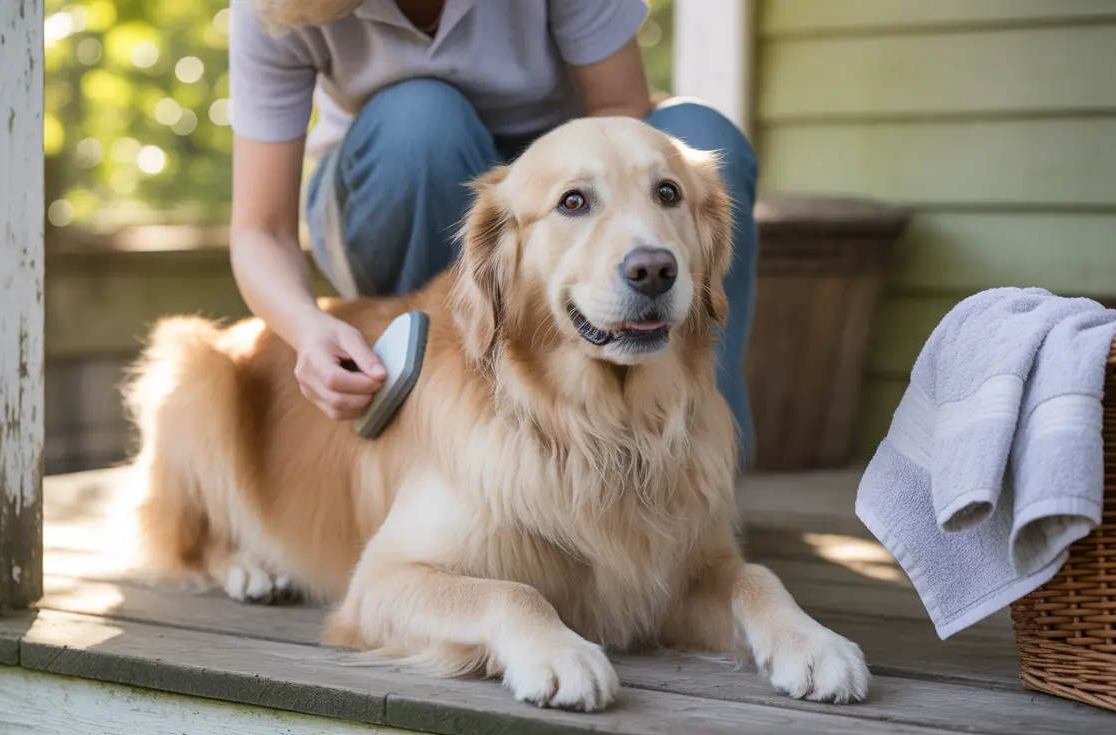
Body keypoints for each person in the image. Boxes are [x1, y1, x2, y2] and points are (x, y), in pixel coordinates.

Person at [228, 0, 759, 463]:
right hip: (391, 180)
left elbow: (619, 109)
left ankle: (698, 447)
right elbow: (261, 230)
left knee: (706, 138)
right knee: (420, 121)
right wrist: (307, 331)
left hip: (565, 181)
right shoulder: (274, 7)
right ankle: (438, 438)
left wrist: (558, 196)